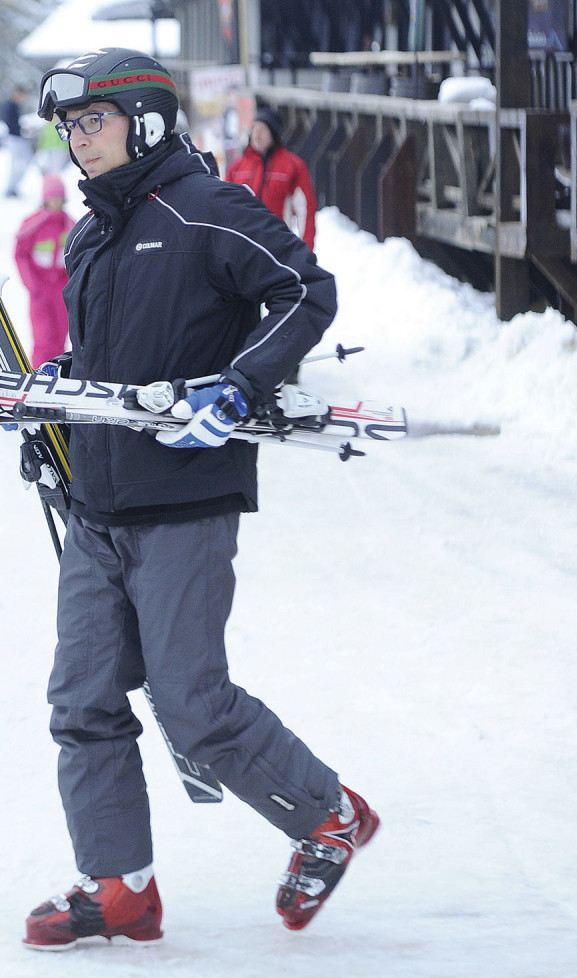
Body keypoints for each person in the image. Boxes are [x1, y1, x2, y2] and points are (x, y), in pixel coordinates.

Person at [21, 48, 378, 950]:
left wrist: (242, 383)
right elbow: (100, 360)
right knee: (83, 700)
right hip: (98, 504)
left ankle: (330, 814)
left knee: (191, 703)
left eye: (91, 122)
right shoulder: (91, 232)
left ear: (143, 120)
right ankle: (120, 885)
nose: (77, 141)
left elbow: (306, 290)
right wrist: (38, 396)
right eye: (69, 128)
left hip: (184, 501)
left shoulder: (206, 208)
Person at [225, 106, 317, 251]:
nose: (256, 134)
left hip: (278, 248)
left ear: (273, 134)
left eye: (262, 129)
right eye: (254, 129)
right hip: (242, 248)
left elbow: (305, 210)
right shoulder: (237, 167)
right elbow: (225, 209)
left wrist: (306, 253)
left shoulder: (293, 166)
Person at [13, 173, 74, 367]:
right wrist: (33, 285)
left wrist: (71, 284)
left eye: (58, 197)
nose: (55, 202)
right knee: (43, 338)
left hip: (61, 288)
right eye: (51, 197)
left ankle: (57, 375)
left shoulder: (70, 224)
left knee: (60, 335)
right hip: (40, 288)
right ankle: (39, 374)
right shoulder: (33, 224)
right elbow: (20, 254)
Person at [1, 85, 32, 197]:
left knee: (23, 162)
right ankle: (11, 188)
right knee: (17, 164)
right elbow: (10, 124)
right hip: (14, 138)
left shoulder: (14, 106)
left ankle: (13, 187)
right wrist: (20, 130)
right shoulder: (10, 106)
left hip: (17, 137)